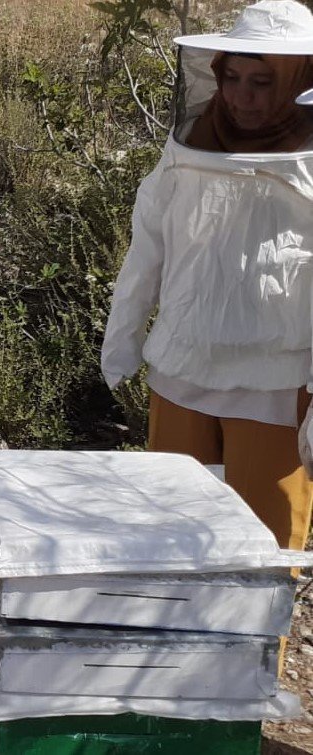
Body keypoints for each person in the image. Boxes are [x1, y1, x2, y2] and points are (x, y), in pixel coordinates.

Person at [103, 0, 313, 554]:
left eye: (262, 82)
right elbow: (147, 247)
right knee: (171, 535)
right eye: (233, 77)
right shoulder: (190, 144)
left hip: (272, 383)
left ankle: (264, 646)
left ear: (299, 82)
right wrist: (121, 340)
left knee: (263, 550)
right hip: (181, 368)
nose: (242, 96)